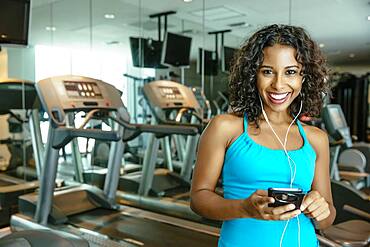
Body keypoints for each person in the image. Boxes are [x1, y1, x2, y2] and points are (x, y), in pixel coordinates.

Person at [190, 24, 336, 247]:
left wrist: (321, 209)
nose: (278, 84)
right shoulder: (226, 128)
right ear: (253, 75)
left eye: (290, 72)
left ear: (304, 77)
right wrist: (243, 208)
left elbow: (327, 219)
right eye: (267, 71)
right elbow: (198, 199)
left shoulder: (317, 139)